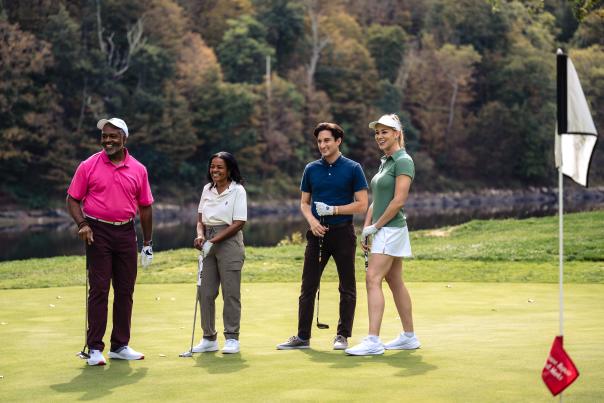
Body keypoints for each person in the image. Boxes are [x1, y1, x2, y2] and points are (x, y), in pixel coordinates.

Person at [66, 117, 154, 366]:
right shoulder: (89, 165)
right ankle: (94, 348)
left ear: (124, 138)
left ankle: (120, 345)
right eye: (104, 136)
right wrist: (82, 224)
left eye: (113, 136)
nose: (107, 141)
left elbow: (146, 207)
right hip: (97, 232)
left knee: (126, 290)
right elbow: (72, 199)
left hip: (126, 232)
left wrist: (147, 243)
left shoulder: (138, 169)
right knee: (100, 290)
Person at [277, 122, 368, 351]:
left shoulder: (353, 168)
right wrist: (313, 221)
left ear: (338, 141)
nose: (322, 145)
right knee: (308, 285)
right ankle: (302, 337)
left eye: (327, 140)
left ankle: (342, 335)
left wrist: (334, 210)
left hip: (343, 233)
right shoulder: (311, 169)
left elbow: (362, 205)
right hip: (317, 234)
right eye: (319, 141)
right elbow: (304, 203)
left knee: (346, 286)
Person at [344, 113, 421, 356]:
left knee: (372, 278)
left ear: (397, 133)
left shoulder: (403, 161)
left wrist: (376, 227)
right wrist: (367, 227)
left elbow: (398, 201)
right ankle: (409, 336)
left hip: (391, 228)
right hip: (382, 228)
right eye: (377, 132)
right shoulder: (386, 161)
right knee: (394, 280)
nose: (379, 136)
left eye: (384, 131)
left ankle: (373, 340)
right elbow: (377, 201)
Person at [192, 151, 247, 354]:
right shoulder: (207, 189)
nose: (214, 170)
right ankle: (209, 338)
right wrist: (200, 236)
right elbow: (200, 219)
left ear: (229, 170)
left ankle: (232, 337)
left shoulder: (237, 190)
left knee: (230, 292)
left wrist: (212, 241)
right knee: (204, 292)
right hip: (208, 240)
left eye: (219, 167)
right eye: (212, 166)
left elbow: (239, 223)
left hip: (229, 242)